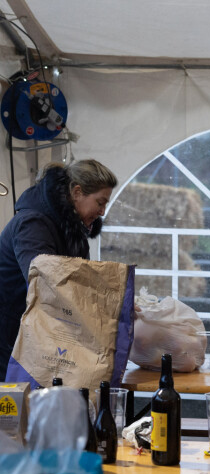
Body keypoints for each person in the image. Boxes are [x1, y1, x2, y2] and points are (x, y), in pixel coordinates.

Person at [0, 159, 117, 380]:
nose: (102, 212)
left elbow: (82, 280)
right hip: (8, 335)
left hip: (34, 334)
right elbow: (43, 283)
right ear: (77, 192)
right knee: (15, 410)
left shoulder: (73, 229)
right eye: (100, 202)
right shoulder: (33, 225)